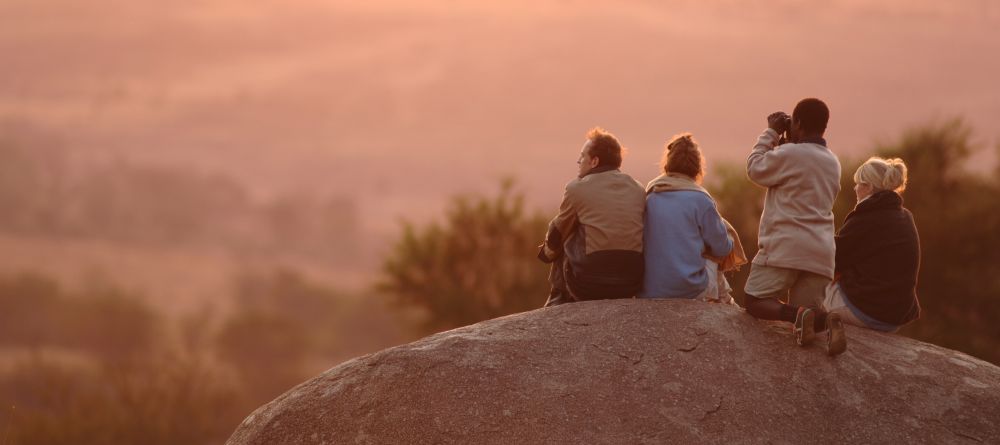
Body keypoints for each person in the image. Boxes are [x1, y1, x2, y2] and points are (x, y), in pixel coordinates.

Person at [742, 98, 847, 355]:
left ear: (797, 123)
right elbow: (802, 170)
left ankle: (799, 313)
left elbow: (755, 168)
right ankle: (823, 320)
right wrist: (788, 144)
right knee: (807, 321)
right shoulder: (833, 162)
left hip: (784, 248)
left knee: (754, 300)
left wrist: (771, 133)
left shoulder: (788, 154)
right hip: (821, 254)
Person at [537, 127, 645, 306]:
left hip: (588, 285)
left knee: (567, 229)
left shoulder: (577, 189)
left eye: (582, 156)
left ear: (594, 161)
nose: (578, 161)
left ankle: (556, 302)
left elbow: (557, 233)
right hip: (631, 284)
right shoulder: (639, 189)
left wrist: (546, 254)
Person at [638, 133, 747, 303]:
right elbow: (722, 249)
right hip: (688, 290)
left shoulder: (650, 195)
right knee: (712, 260)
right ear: (697, 169)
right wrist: (729, 238)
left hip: (650, 289)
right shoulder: (701, 200)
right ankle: (728, 307)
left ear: (667, 166)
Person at [825, 157, 921, 331]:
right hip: (894, 318)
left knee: (812, 282)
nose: (855, 188)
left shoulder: (868, 216)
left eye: (858, 184)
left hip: (867, 311)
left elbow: (832, 257)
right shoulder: (905, 216)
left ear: (868, 187)